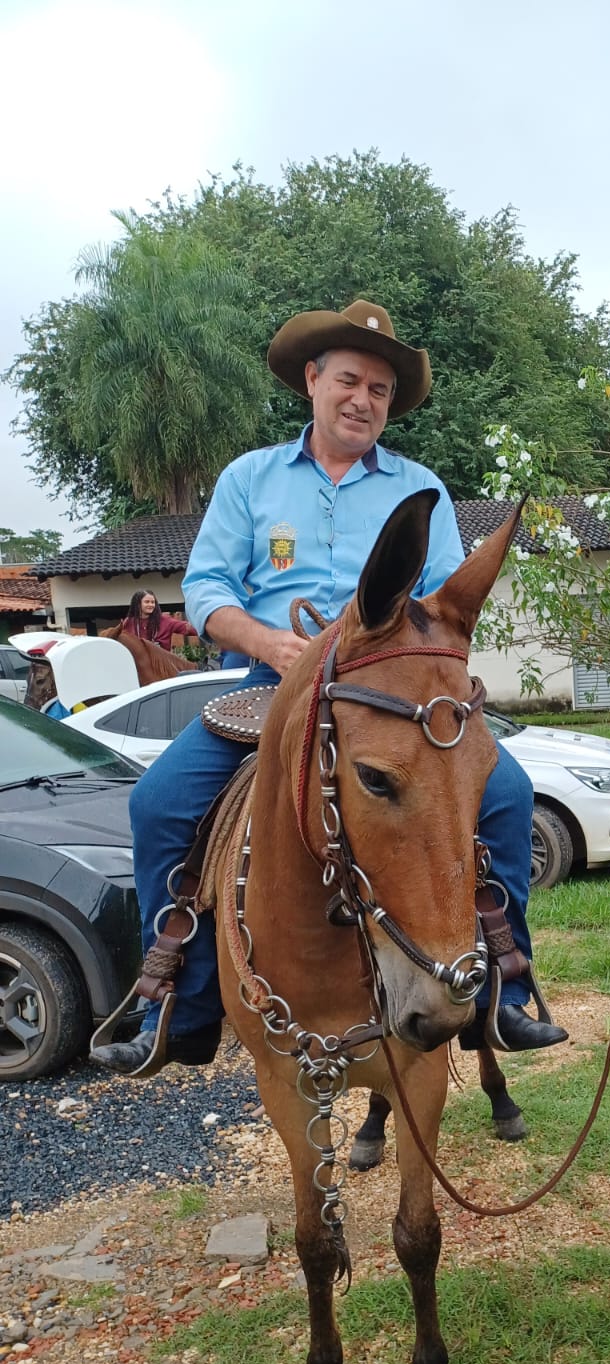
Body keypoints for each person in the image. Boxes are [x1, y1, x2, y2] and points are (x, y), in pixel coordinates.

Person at [91, 298, 565, 1078]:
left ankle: (501, 992)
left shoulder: (422, 488)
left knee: (507, 795)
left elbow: (444, 601)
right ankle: (177, 1003)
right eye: (349, 381)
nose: (363, 400)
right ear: (313, 380)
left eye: (379, 390)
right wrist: (268, 640)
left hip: (387, 687)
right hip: (268, 681)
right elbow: (207, 590)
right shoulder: (251, 478)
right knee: (160, 803)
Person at [120, 589, 197, 652]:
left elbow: (187, 628)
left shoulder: (164, 620)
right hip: (137, 664)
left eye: (153, 602)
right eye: (147, 602)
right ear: (138, 604)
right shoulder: (128, 622)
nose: (151, 605)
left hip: (162, 665)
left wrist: (204, 626)